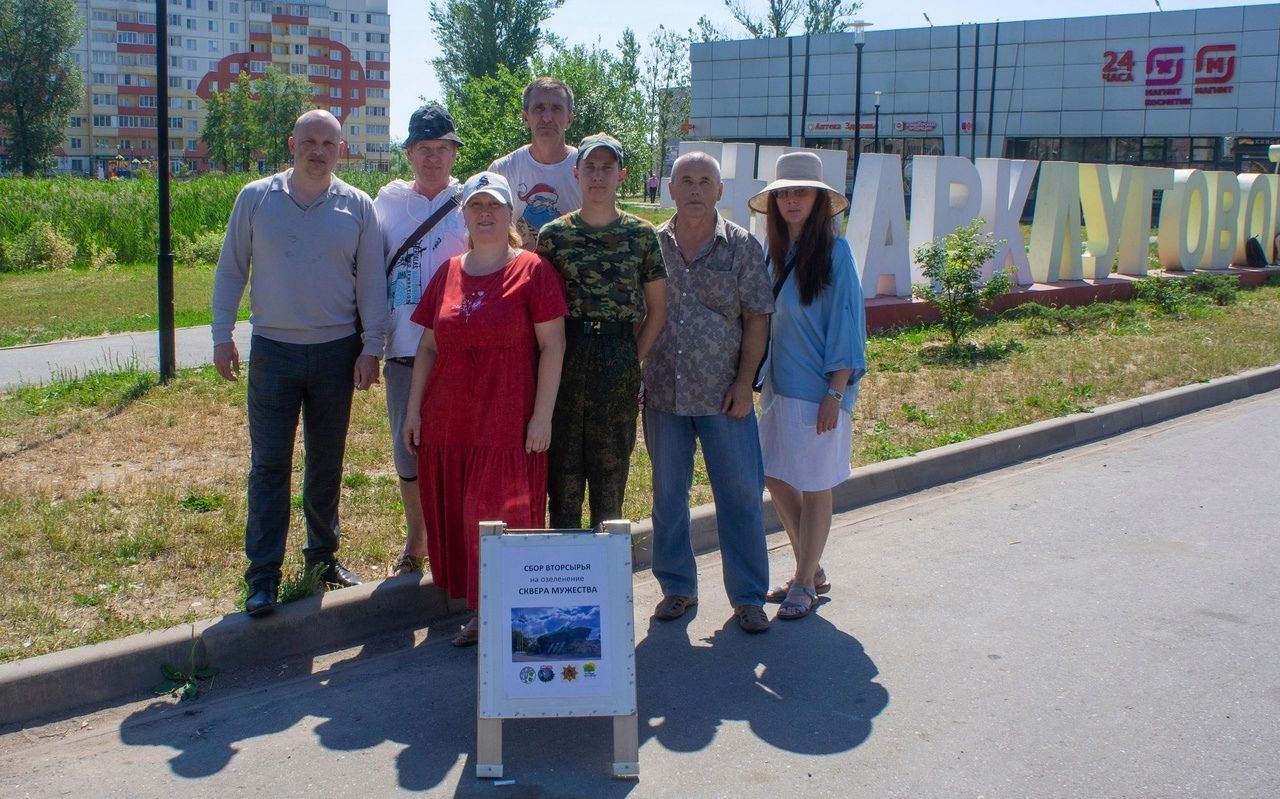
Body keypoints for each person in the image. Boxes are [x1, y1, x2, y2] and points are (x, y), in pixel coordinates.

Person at [212, 109, 387, 617]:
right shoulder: (256, 198)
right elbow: (230, 271)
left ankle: (321, 558)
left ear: (341, 150)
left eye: (327, 143)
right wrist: (223, 336)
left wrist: (370, 347)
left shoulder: (358, 206)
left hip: (336, 352)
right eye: (308, 141)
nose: (317, 150)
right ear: (292, 144)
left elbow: (370, 284)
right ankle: (262, 574)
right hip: (272, 352)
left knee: (326, 462)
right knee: (268, 465)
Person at [402, 171, 567, 646]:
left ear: (509, 213)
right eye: (477, 206)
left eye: (495, 205)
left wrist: (542, 416)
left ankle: (510, 615)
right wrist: (414, 412)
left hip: (506, 423)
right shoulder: (448, 271)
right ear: (465, 215)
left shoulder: (533, 270)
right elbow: (428, 348)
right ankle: (480, 612)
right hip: (449, 422)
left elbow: (553, 345)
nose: (486, 214)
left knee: (498, 518)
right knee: (459, 517)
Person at [644, 152, 775, 634]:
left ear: (720, 191)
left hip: (726, 398)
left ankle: (747, 597)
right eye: (686, 180)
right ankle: (677, 587)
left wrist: (745, 384)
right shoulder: (651, 244)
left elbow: (758, 318)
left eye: (705, 181)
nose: (695, 188)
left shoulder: (741, 247)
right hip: (663, 396)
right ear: (670, 189)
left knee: (740, 495)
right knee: (668, 497)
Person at [747, 151, 867, 621]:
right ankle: (811, 568)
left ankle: (803, 581)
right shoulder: (776, 255)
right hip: (778, 388)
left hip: (819, 390)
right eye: (784, 193)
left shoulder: (837, 254)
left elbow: (848, 325)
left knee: (816, 485)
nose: (792, 200)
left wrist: (835, 392)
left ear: (818, 199)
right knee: (775, 474)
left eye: (802, 192)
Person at [536, 133, 667, 529]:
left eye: (607, 168)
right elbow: (541, 310)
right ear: (576, 173)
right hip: (566, 351)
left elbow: (658, 308)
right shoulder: (554, 236)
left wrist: (631, 356)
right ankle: (563, 578)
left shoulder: (642, 235)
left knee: (611, 478)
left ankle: (603, 583)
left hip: (617, 351)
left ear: (621, 175)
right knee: (562, 477)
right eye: (590, 167)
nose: (598, 176)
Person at [374, 103, 468, 578]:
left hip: (462, 351)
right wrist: (369, 343)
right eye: (423, 149)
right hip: (405, 345)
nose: (433, 158)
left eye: (442, 148)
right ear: (408, 153)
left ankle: (456, 534)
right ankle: (418, 536)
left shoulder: (472, 200)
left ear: (454, 153)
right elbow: (368, 273)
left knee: (458, 446)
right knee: (406, 445)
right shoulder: (387, 203)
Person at [489, 77, 582, 249]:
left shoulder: (587, 169)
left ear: (570, 119)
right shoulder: (502, 171)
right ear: (525, 117)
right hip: (521, 273)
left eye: (556, 109)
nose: (547, 117)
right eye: (539, 108)